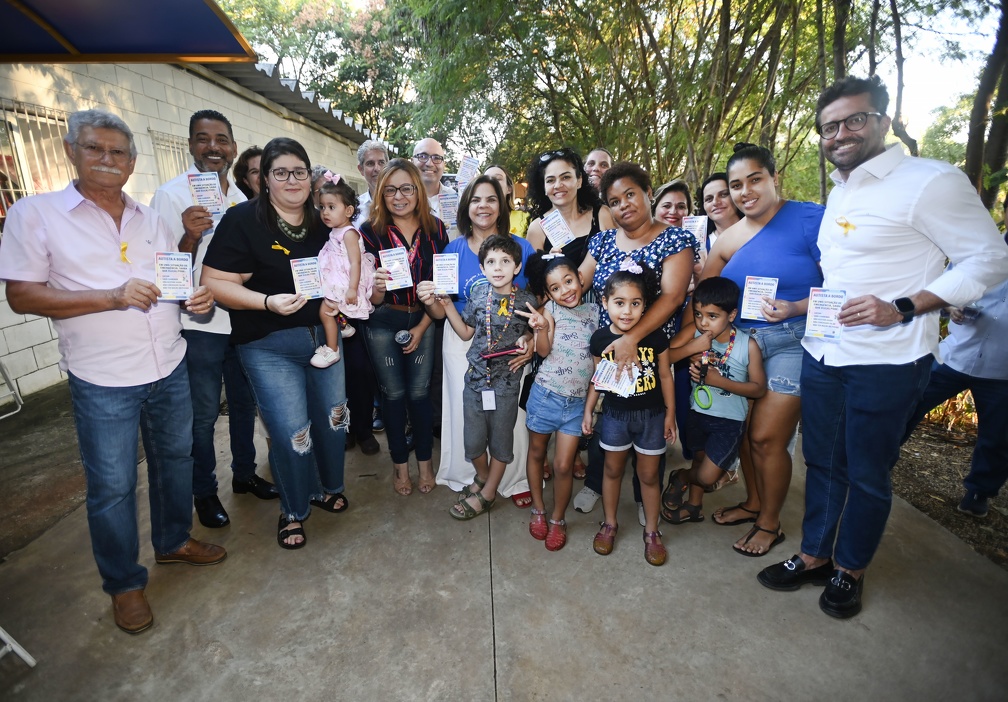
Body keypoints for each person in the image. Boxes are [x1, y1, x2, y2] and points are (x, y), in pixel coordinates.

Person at [757, 75, 1008, 619]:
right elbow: (841, 275)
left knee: (867, 471)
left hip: (887, 362)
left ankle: (850, 569)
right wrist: (805, 312)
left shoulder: (930, 181)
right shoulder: (845, 188)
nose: (841, 133)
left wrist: (905, 305)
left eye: (854, 120)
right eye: (829, 126)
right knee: (821, 461)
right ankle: (815, 554)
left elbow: (989, 259)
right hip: (824, 352)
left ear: (883, 122)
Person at [0, 109, 226, 634]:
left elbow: (173, 276)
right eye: (95, 149)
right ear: (69, 152)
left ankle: (172, 541)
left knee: (176, 458)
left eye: (118, 152)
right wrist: (111, 296)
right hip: (103, 377)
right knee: (113, 485)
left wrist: (194, 297)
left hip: (167, 362)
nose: (107, 159)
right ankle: (124, 583)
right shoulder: (36, 215)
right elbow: (22, 295)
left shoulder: (150, 219)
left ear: (131, 161)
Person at [201, 137, 350, 551]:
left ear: (310, 176)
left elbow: (349, 264)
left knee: (334, 419)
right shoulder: (243, 220)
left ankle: (325, 487)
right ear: (264, 178)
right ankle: (293, 509)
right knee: (290, 432)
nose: (291, 180)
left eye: (299, 171)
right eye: (280, 172)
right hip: (268, 345)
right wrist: (265, 301)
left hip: (327, 339)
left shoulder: (326, 219)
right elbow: (213, 282)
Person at [694, 143, 823, 558]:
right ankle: (753, 503)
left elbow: (849, 284)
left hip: (793, 339)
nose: (745, 191)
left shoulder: (810, 218)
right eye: (736, 185)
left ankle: (770, 523)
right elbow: (703, 297)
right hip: (741, 345)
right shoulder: (729, 238)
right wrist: (688, 344)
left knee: (767, 437)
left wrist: (799, 305)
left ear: (773, 178)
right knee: (747, 433)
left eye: (755, 179)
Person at [150, 109, 277, 532]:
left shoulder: (243, 202)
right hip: (198, 324)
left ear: (233, 148)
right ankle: (203, 491)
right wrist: (189, 236)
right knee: (203, 414)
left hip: (239, 321)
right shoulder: (170, 196)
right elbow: (163, 270)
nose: (213, 148)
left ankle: (244, 474)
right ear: (190, 145)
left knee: (244, 404)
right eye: (203, 139)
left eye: (221, 140)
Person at [573, 162, 698, 517]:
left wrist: (632, 340)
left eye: (630, 194)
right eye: (614, 200)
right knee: (606, 421)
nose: (624, 204)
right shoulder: (601, 241)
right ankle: (596, 483)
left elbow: (673, 297)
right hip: (608, 352)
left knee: (650, 428)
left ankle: (647, 498)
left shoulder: (676, 239)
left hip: (651, 355)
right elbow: (578, 284)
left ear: (649, 194)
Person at [424, 176, 536, 505]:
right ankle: (478, 476)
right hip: (464, 341)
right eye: (475, 199)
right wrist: (430, 298)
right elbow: (440, 312)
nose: (483, 206)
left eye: (490, 199)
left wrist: (530, 336)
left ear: (501, 206)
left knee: (509, 421)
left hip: (511, 346)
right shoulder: (451, 249)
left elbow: (535, 302)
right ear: (465, 207)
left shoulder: (521, 247)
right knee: (468, 416)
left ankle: (513, 482)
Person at [359, 158, 449, 496]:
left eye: (406, 188)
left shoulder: (436, 229)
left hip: (424, 319)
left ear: (417, 190)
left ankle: (425, 464)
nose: (399, 196)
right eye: (391, 190)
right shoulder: (369, 232)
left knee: (420, 395)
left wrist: (424, 326)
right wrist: (378, 286)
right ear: (382, 194)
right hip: (383, 321)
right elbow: (368, 298)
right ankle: (400, 467)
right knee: (393, 396)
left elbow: (442, 286)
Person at [583, 262, 676, 565]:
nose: (627, 311)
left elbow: (665, 377)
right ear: (605, 302)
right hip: (614, 417)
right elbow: (598, 379)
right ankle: (609, 523)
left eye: (635, 304)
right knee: (612, 470)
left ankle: (652, 532)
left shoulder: (656, 337)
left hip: (651, 417)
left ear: (645, 305)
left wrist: (670, 414)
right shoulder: (599, 340)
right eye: (619, 303)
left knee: (649, 475)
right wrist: (588, 412)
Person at [903, 272, 1008, 518]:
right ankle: (879, 464)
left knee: (999, 436)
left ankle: (979, 492)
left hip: (1002, 371)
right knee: (907, 407)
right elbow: (937, 293)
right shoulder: (979, 256)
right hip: (953, 356)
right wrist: (950, 307)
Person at [666, 277, 766, 525]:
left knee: (708, 476)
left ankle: (682, 477)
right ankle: (694, 506)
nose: (703, 322)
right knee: (699, 459)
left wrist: (717, 381)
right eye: (698, 314)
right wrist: (693, 347)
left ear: (731, 314)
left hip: (730, 422)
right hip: (697, 414)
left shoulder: (747, 345)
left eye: (712, 316)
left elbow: (759, 389)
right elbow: (665, 355)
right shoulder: (695, 332)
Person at [517, 252, 597, 551]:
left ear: (580, 278)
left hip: (576, 405)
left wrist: (590, 407)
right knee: (537, 453)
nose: (565, 290)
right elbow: (543, 351)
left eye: (568, 281)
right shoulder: (550, 310)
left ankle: (558, 519)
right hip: (545, 396)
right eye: (555, 287)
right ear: (548, 293)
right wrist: (539, 329)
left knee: (564, 465)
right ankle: (539, 508)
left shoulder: (594, 312)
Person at [311, 172, 374, 368]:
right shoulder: (337, 231)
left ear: (348, 211)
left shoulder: (349, 234)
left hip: (348, 278)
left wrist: (352, 289)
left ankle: (332, 350)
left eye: (331, 207)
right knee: (330, 305)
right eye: (322, 207)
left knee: (325, 309)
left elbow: (355, 262)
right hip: (338, 275)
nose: (325, 213)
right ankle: (344, 325)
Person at [525, 147, 615, 267]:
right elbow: (533, 281)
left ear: (579, 181)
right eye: (550, 180)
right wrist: (547, 267)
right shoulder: (536, 229)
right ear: (544, 188)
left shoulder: (602, 214)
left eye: (565, 177)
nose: (558, 185)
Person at [412, 137, 457, 236]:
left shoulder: (456, 199)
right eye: (423, 156)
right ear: (412, 161)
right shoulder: (403, 199)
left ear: (443, 164)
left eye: (436, 158)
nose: (429, 163)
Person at [484, 164, 529, 238]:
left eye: (497, 179)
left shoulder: (525, 218)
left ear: (509, 188)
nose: (491, 182)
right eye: (486, 179)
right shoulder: (475, 218)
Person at [353, 139, 389, 227]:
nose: (377, 168)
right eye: (370, 163)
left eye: (381, 163)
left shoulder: (401, 202)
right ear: (361, 169)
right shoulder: (354, 208)